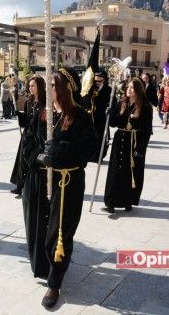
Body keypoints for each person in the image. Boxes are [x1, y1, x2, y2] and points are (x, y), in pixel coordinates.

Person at [34, 68, 96, 308]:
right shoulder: (46, 115)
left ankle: (54, 284)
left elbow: (89, 150)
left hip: (69, 182)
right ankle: (51, 269)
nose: (47, 89)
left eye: (52, 84)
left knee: (59, 235)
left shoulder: (79, 115)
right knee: (45, 229)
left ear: (63, 88)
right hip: (45, 181)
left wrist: (59, 153)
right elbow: (32, 141)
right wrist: (39, 157)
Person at [102, 77, 153, 213]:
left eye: (131, 87)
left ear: (138, 90)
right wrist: (109, 114)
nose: (128, 90)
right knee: (115, 171)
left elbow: (147, 130)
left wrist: (141, 149)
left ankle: (127, 201)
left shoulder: (145, 107)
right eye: (127, 87)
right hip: (120, 140)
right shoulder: (121, 103)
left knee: (129, 172)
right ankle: (111, 202)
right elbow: (114, 123)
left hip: (134, 142)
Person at [20, 75, 48, 278]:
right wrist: (35, 156)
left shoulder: (65, 113)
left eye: (33, 85)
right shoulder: (32, 104)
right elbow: (31, 134)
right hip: (36, 167)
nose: (30, 88)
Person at [11, 76, 46, 196]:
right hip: (27, 136)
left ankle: (29, 186)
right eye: (29, 86)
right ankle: (20, 186)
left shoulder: (45, 102)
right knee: (22, 161)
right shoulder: (29, 101)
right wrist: (20, 115)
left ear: (39, 86)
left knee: (31, 161)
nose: (30, 88)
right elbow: (26, 120)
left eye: (33, 86)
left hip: (37, 137)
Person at [80, 70, 112, 162]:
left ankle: (99, 156)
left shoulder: (109, 90)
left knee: (101, 138)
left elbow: (112, 104)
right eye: (95, 81)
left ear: (104, 81)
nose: (97, 83)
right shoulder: (90, 90)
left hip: (102, 119)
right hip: (91, 119)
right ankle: (90, 155)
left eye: (99, 81)